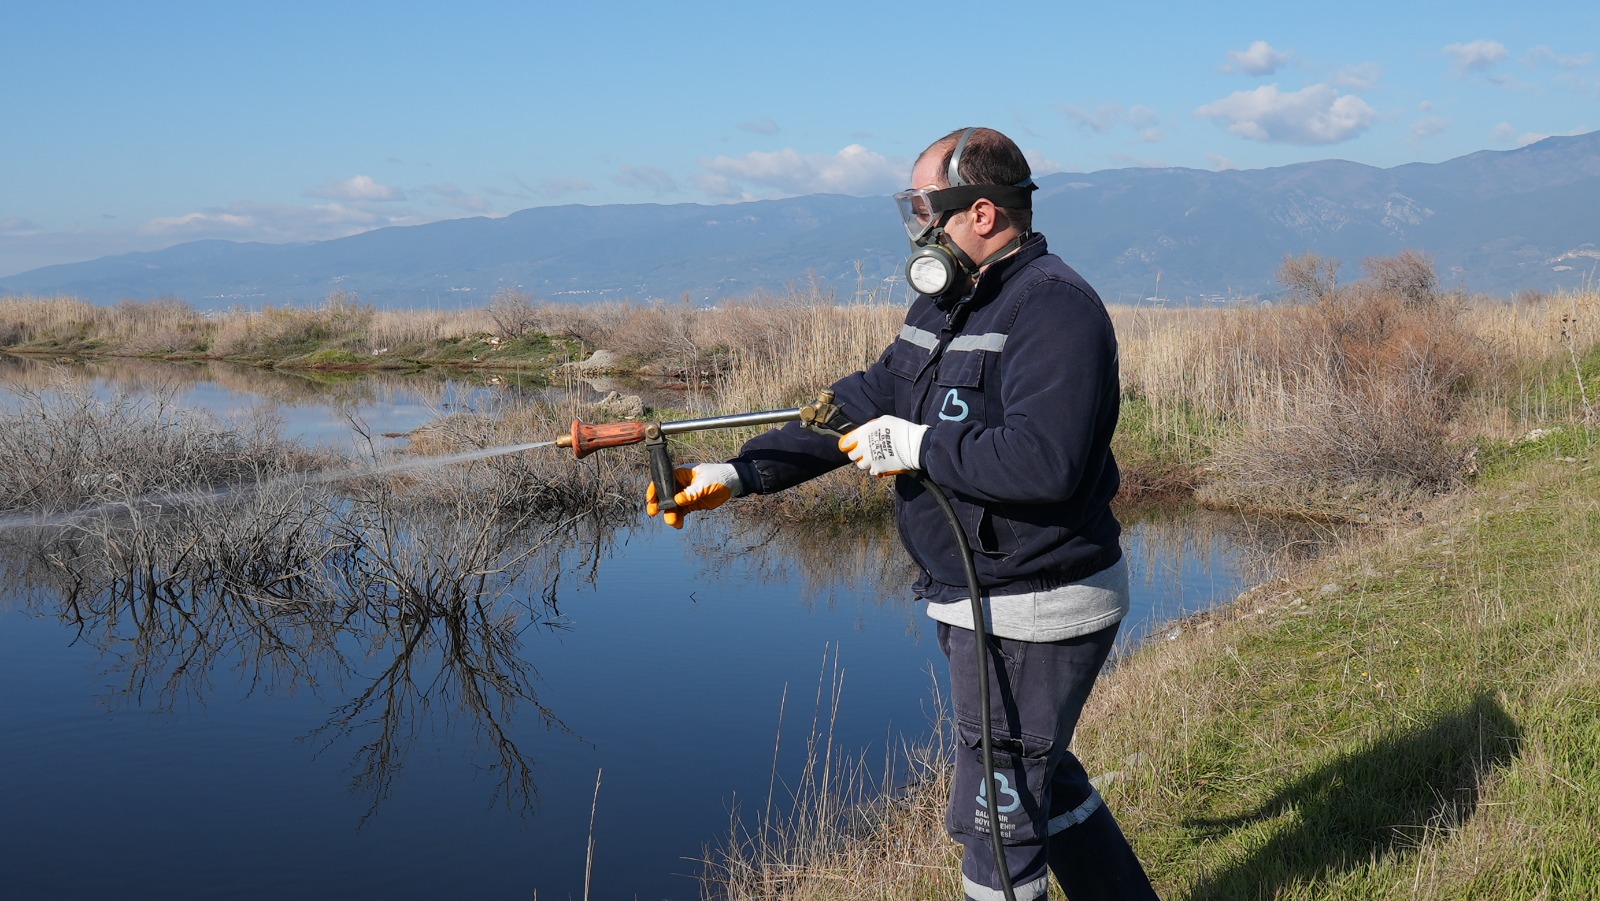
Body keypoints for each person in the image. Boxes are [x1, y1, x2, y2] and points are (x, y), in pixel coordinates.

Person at [646, 127, 1159, 901]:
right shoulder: (944, 301)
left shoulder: (1055, 309)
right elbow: (867, 397)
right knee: (1039, 780)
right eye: (911, 210)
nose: (917, 227)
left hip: (1035, 602)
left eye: (924, 209)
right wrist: (743, 471)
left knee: (996, 822)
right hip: (977, 594)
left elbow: (1044, 462)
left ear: (981, 212)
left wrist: (920, 445)